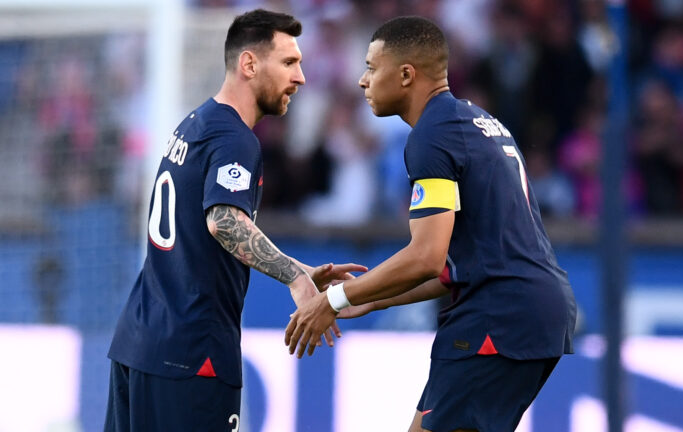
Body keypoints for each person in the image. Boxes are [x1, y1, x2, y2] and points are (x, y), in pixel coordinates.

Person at [285, 16, 577, 432]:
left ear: (405, 74)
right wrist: (372, 298)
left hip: (497, 315)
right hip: (525, 310)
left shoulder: (432, 136)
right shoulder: (476, 123)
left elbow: (425, 256)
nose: (362, 81)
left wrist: (333, 301)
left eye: (371, 66)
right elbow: (455, 265)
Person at [104, 9, 365, 432]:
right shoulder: (236, 139)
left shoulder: (195, 124)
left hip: (139, 342)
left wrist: (302, 270)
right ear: (249, 64)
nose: (300, 77)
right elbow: (223, 220)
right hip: (192, 355)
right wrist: (295, 280)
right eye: (289, 63)